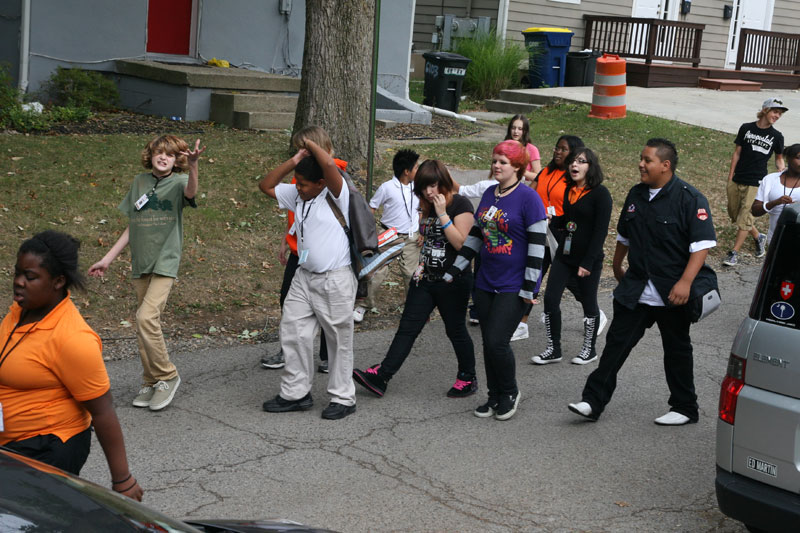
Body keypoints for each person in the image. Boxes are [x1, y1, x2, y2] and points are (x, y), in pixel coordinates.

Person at [568, 138, 718, 426]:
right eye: (641, 158)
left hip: (672, 291)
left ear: (665, 165)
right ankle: (592, 401)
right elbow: (625, 234)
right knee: (615, 345)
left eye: (647, 160)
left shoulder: (690, 198)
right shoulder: (637, 194)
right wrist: (616, 264)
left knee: (677, 350)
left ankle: (685, 408)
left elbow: (701, 246)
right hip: (636, 287)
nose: (641, 164)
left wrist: (685, 283)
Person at [1, 231, 143, 500]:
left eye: (30, 277)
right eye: (17, 273)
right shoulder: (22, 311)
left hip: (47, 449)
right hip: (12, 445)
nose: (19, 282)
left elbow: (103, 412)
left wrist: (122, 480)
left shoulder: (72, 339)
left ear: (58, 281)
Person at [89, 135, 205, 411]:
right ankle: (150, 380)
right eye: (158, 152)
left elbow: (191, 193)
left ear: (177, 159)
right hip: (141, 262)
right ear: (150, 155)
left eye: (169, 154)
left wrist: (194, 166)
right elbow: (133, 224)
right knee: (143, 327)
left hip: (165, 262)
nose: (163, 157)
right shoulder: (139, 182)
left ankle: (167, 375)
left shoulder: (178, 182)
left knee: (146, 317)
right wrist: (107, 259)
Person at [352, 160, 476, 399]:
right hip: (426, 279)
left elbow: (461, 244)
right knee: (407, 328)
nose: (429, 192)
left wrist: (442, 215)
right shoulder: (426, 205)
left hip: (453, 280)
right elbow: (428, 240)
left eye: (433, 185)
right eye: (423, 188)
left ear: (443, 181)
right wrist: (421, 261)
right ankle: (382, 376)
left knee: (456, 330)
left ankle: (467, 377)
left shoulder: (460, 204)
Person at [445, 140, 548, 421]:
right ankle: (493, 396)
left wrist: (530, 288)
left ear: (517, 166)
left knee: (496, 341)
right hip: (485, 281)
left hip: (514, 285)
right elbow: (477, 236)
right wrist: (454, 270)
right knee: (488, 344)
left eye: (503, 161)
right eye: (494, 161)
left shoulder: (529, 199)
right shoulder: (491, 194)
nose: (496, 166)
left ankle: (510, 391)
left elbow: (538, 247)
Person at [259, 134, 357, 420]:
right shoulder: (298, 194)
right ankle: (296, 393)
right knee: (293, 331)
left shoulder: (337, 192)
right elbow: (265, 185)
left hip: (334, 279)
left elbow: (328, 165)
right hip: (304, 277)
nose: (297, 189)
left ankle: (343, 397)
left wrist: (311, 146)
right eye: (296, 184)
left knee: (338, 339)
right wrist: (295, 160)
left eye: (303, 184)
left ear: (321, 184)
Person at [532, 147, 612, 366]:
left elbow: (600, 231)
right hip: (564, 256)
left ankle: (589, 349)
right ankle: (553, 349)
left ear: (591, 167)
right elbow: (569, 218)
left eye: (582, 161)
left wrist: (587, 262)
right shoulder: (569, 189)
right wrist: (552, 220)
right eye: (573, 161)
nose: (575, 165)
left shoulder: (601, 194)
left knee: (588, 303)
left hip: (588, 260)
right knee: (550, 299)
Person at [353, 149, 421, 322]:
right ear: (406, 171)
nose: (418, 171)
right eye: (416, 168)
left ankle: (413, 307)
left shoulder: (418, 186)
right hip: (389, 237)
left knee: (411, 274)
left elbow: (423, 209)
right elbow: (371, 209)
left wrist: (422, 231)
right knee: (378, 272)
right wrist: (370, 232)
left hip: (411, 238)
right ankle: (363, 306)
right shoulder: (387, 187)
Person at [722, 96, 787, 267]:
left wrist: (783, 172)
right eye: (775, 111)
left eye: (780, 114)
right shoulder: (746, 128)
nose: (777, 116)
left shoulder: (777, 136)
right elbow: (737, 152)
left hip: (757, 181)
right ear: (765, 110)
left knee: (745, 216)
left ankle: (733, 253)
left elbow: (779, 159)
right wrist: (730, 176)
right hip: (738, 178)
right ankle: (759, 237)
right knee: (734, 214)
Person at [752, 144, 800, 245]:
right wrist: (775, 202)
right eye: (799, 158)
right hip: (775, 239)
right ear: (788, 158)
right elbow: (755, 211)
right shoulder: (770, 180)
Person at [505, 114, 541, 182]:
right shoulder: (504, 146)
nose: (516, 131)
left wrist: (522, 171)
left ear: (525, 131)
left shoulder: (532, 149)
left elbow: (539, 176)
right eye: (513, 128)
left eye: (520, 129)